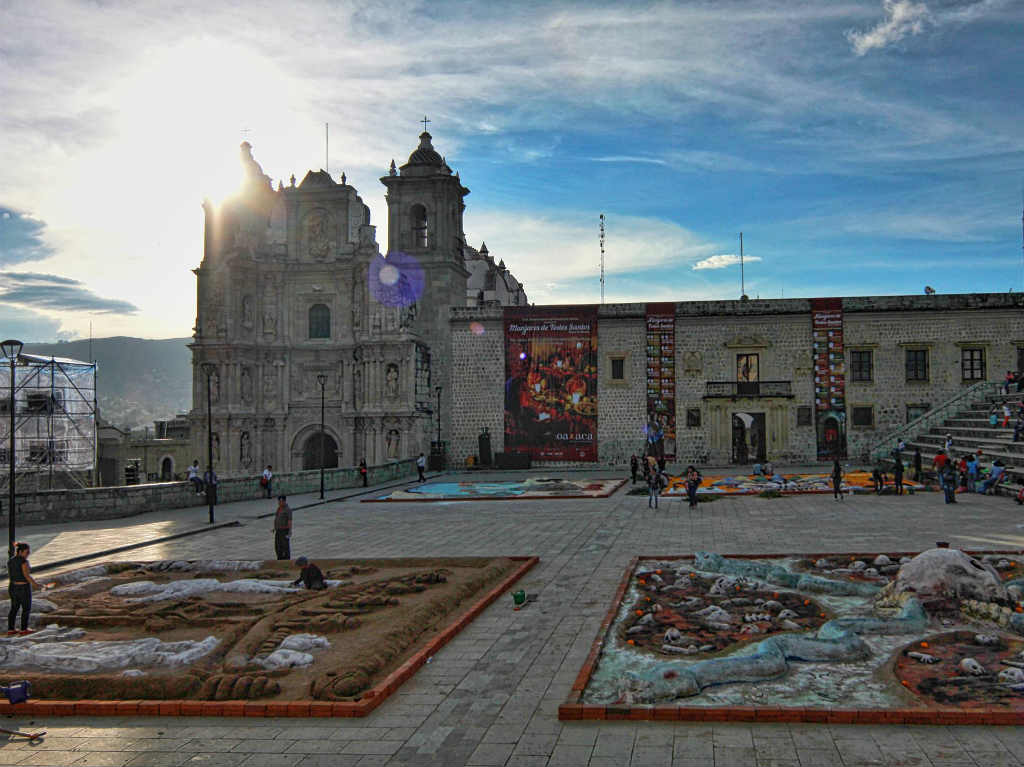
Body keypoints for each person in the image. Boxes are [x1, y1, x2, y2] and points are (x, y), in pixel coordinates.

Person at [7, 542, 40, 636]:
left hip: (13, 587)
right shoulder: (24, 562)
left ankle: (11, 628)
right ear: (20, 552)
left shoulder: (10, 561)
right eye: (27, 552)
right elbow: (27, 575)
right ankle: (23, 629)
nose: (28, 554)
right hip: (23, 588)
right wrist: (35, 584)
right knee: (26, 608)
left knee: (14, 608)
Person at [273, 495, 292, 560]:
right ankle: (279, 558)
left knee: (285, 547)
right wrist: (274, 528)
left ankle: (286, 559)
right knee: (277, 546)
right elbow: (277, 518)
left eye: (281, 501)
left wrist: (289, 531)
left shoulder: (287, 509)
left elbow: (289, 520)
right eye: (279, 501)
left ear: (284, 501)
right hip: (278, 530)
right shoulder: (279, 508)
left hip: (284, 531)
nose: (280, 503)